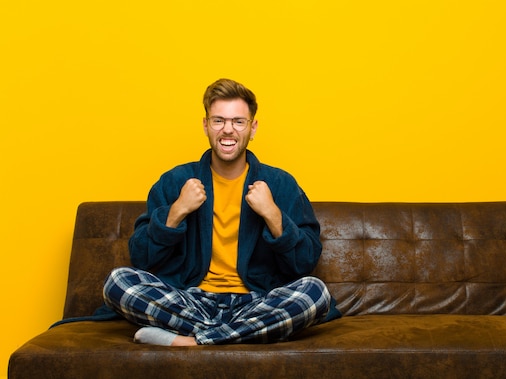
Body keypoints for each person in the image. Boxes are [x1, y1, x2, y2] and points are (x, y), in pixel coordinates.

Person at [103, 78, 339, 346]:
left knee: (315, 292)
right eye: (219, 121)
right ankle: (237, 335)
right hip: (190, 300)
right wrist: (176, 211)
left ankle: (190, 341)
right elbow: (141, 257)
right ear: (206, 125)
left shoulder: (281, 184)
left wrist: (273, 214)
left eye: (238, 121)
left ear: (253, 128)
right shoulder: (175, 180)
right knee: (118, 281)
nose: (228, 130)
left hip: (257, 301)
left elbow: (306, 261)